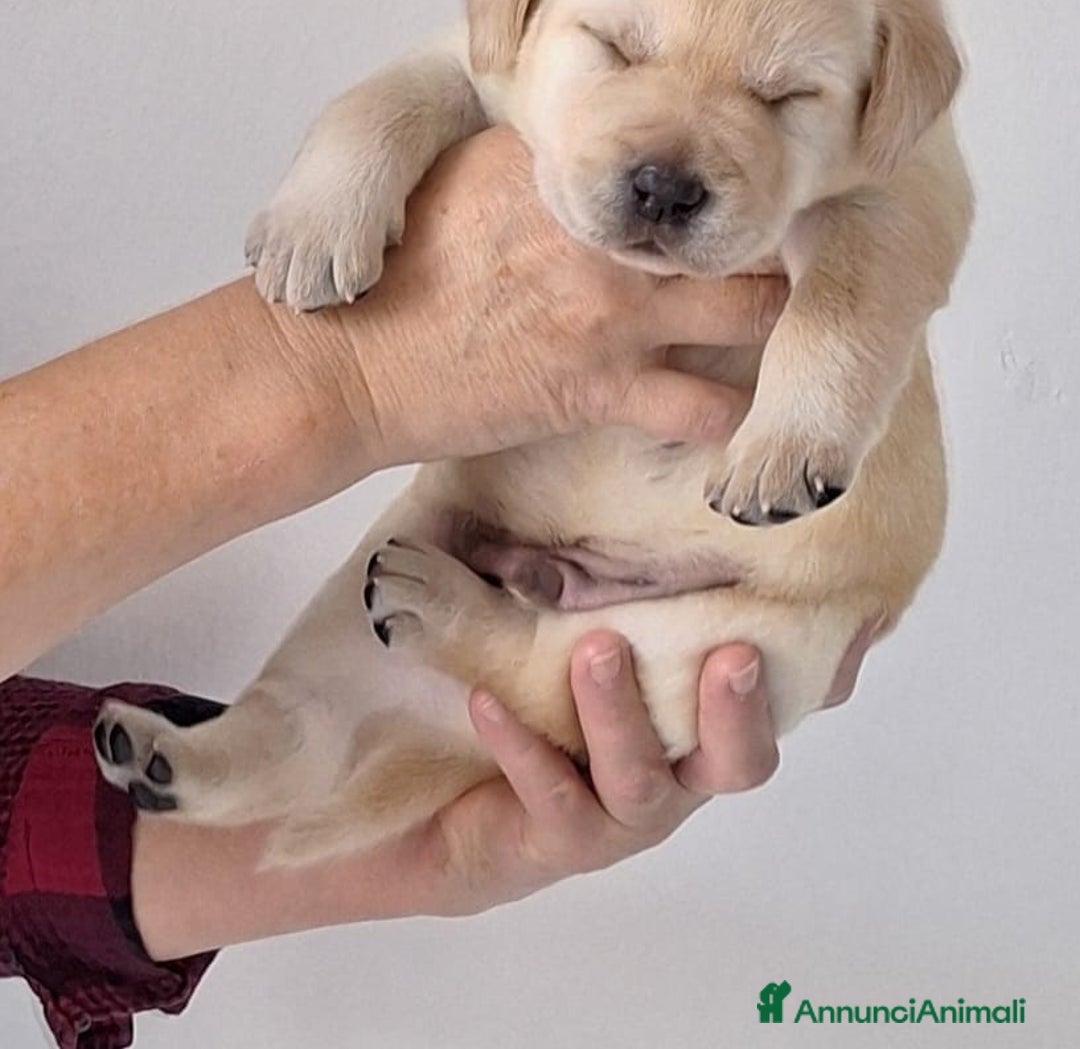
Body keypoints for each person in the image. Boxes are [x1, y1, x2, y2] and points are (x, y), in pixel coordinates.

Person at [0, 128, 876, 1049]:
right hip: (607, 504)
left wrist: (403, 849)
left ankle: (275, 745)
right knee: (419, 576)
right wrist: (343, 370)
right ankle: (283, 738)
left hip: (734, 555)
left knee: (693, 657)